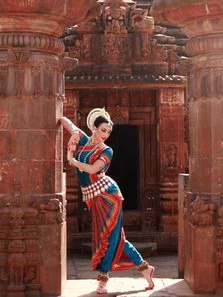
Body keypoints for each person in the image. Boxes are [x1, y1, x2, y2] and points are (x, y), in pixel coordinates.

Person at [60, 108, 155, 294]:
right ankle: (145, 269)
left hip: (108, 196)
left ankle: (103, 280)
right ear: (94, 128)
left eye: (109, 131)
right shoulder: (84, 140)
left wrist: (72, 160)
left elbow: (92, 169)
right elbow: (65, 121)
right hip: (93, 196)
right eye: (103, 130)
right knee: (115, 238)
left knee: (106, 237)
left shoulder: (107, 150)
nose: (106, 134)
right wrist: (72, 130)